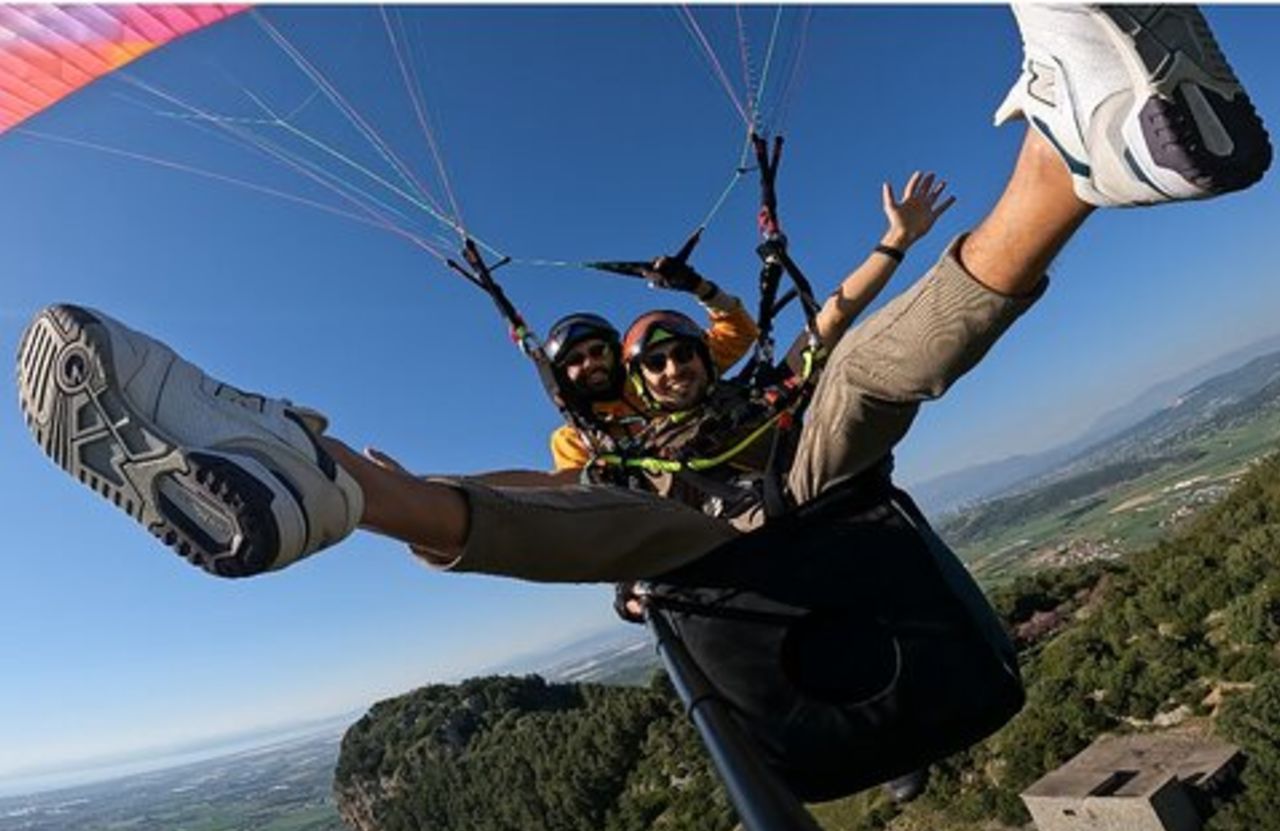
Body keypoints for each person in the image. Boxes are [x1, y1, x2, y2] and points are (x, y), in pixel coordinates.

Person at [18, 5, 1271, 585]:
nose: (670, 371)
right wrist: (437, 482)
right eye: (655, 362)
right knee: (597, 523)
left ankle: (1088, 156)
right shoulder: (602, 445)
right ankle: (331, 485)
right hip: (692, 543)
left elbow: (837, 326)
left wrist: (887, 247)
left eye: (677, 355)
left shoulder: (748, 384)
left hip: (801, 480)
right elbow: (548, 490)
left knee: (871, 375)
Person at [541, 266, 758, 473]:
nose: (590, 363)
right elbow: (580, 495)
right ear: (562, 375)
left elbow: (739, 333)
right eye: (575, 360)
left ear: (618, 353)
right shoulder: (574, 438)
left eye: (598, 351)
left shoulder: (656, 376)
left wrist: (699, 287)